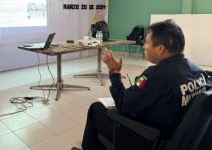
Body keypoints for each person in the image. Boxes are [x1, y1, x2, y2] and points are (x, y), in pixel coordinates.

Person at [72, 20, 211, 150]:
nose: (144, 46)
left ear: (161, 48)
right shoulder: (197, 70)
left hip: (151, 137)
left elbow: (122, 103)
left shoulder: (156, 76)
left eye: (147, 43)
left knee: (96, 109)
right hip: (181, 135)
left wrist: (114, 72)